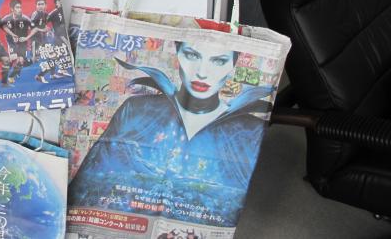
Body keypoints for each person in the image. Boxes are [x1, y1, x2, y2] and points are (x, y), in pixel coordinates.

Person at [68, 40, 273, 227]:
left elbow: (241, 208)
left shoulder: (248, 130)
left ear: (233, 65)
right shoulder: (137, 110)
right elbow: (88, 188)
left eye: (218, 61)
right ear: (178, 53)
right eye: (192, 55)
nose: (202, 73)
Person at [2, 0, 36, 83]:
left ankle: (11, 77)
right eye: (17, 7)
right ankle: (6, 73)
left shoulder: (25, 18)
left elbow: (35, 29)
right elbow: (3, 26)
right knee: (13, 58)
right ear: (12, 9)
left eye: (20, 7)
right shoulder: (7, 18)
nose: (20, 9)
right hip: (11, 42)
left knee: (21, 61)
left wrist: (27, 38)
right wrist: (12, 35)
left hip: (22, 43)